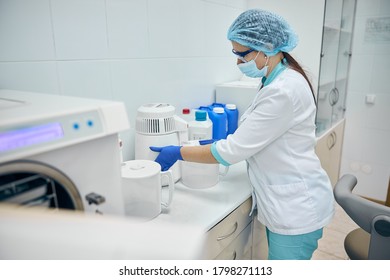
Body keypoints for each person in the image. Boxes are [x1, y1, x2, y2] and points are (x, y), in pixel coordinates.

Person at [150, 9, 334, 260]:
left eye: (242, 54)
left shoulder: (283, 90)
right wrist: (218, 141)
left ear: (267, 47)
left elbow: (232, 152)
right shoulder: (275, 78)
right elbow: (258, 134)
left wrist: (179, 152)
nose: (238, 62)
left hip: (296, 209)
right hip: (286, 202)